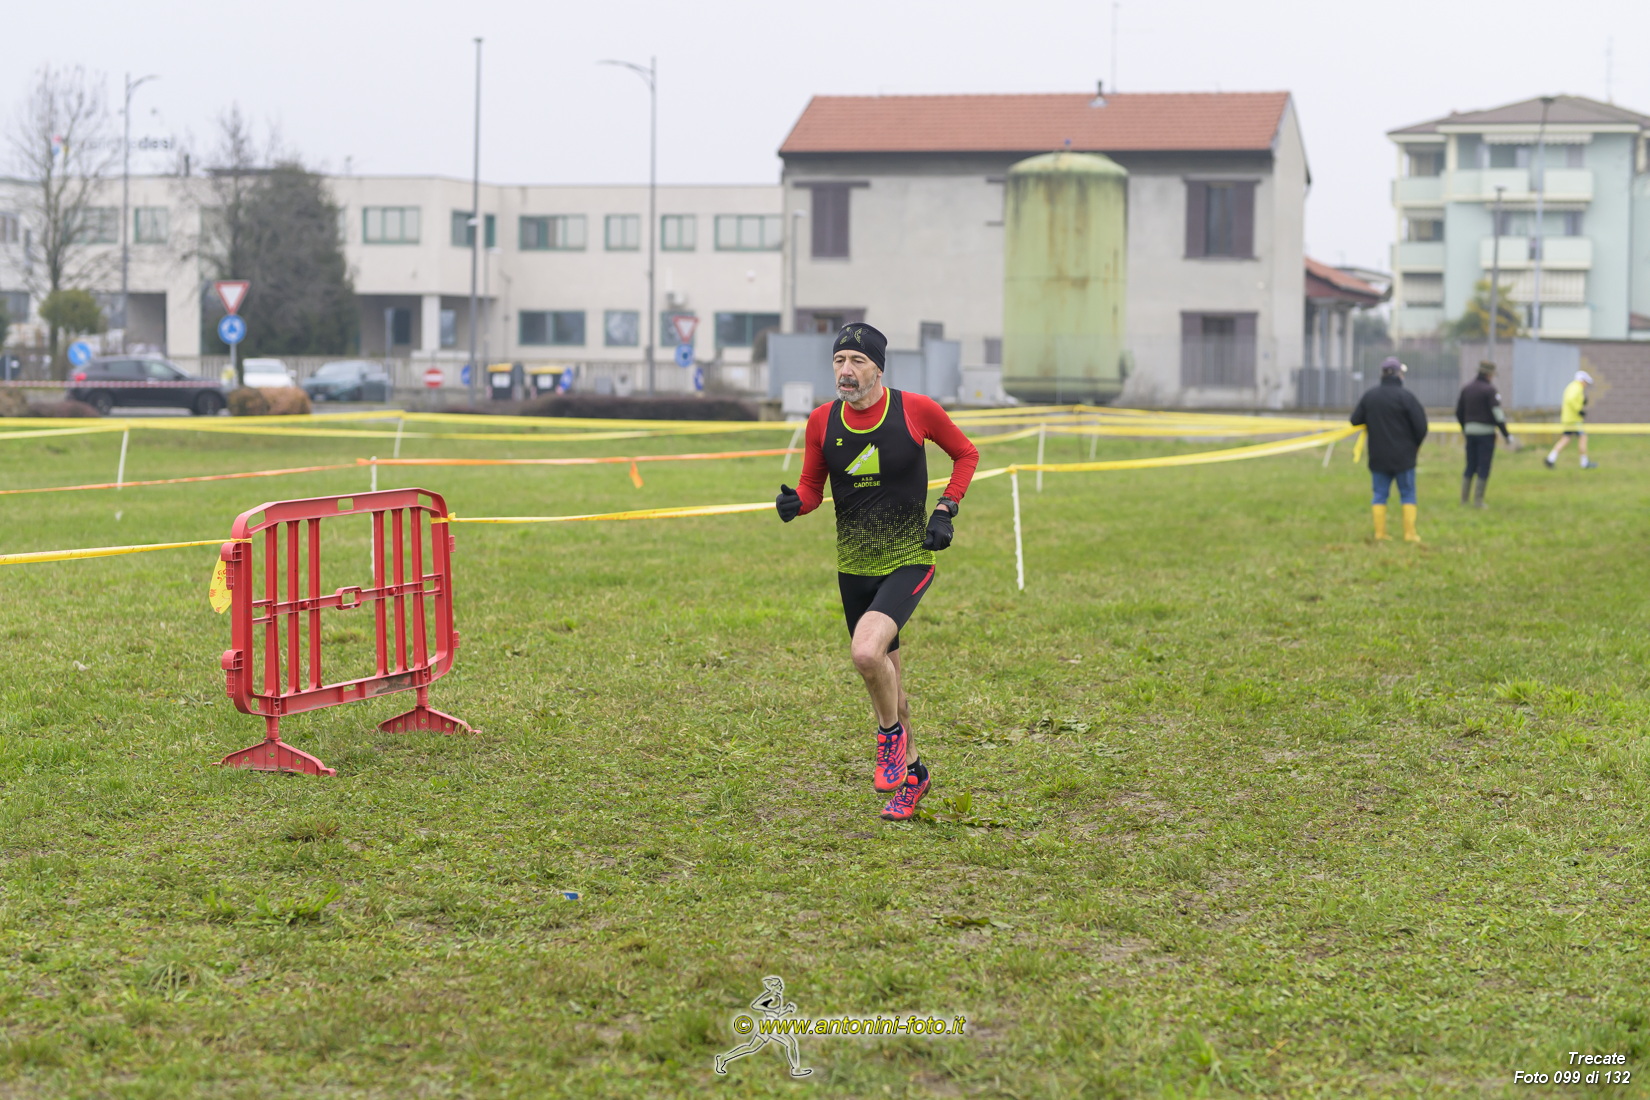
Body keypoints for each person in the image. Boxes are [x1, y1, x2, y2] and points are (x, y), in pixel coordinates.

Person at [775, 323, 978, 821]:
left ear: (878, 368)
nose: (845, 370)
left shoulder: (915, 410)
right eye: (839, 360)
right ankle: (914, 774)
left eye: (857, 361)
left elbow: (966, 454)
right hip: (854, 569)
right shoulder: (822, 421)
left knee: (866, 653)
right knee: (891, 684)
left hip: (909, 559)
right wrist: (795, 503)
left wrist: (946, 508)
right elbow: (812, 490)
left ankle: (888, 739)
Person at [1351, 357, 1429, 543]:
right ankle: (1410, 534)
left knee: (1379, 494)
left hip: (1378, 456)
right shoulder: (1407, 397)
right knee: (1408, 494)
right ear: (1399, 374)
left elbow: (1355, 420)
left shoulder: (1370, 396)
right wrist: (1415, 446)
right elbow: (1421, 427)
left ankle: (1380, 533)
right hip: (1404, 457)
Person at [1455, 360, 1516, 508]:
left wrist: (1465, 428)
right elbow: (1498, 415)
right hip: (1486, 434)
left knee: (1470, 465)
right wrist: (1506, 434)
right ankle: (1478, 501)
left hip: (1470, 432)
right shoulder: (1490, 390)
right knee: (1484, 465)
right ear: (1489, 374)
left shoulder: (1467, 388)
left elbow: (1458, 412)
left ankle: (1464, 500)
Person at [1545, 370, 1599, 469]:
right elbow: (1571, 399)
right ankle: (1584, 462)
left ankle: (1550, 458)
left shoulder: (1572, 386)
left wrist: (1582, 402)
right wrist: (1579, 410)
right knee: (1583, 438)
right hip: (1574, 420)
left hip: (1568, 418)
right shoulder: (1577, 387)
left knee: (1565, 439)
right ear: (1582, 380)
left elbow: (1573, 399)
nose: (1586, 385)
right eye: (1586, 382)